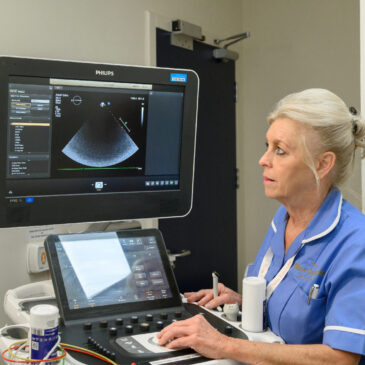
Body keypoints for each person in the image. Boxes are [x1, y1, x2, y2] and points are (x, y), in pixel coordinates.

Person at [157, 89, 365, 364]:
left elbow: (340, 358)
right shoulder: (283, 219)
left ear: (323, 163)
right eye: (267, 146)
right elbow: (292, 311)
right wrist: (246, 302)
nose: (263, 160)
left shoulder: (355, 243)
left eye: (280, 150)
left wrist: (223, 345)